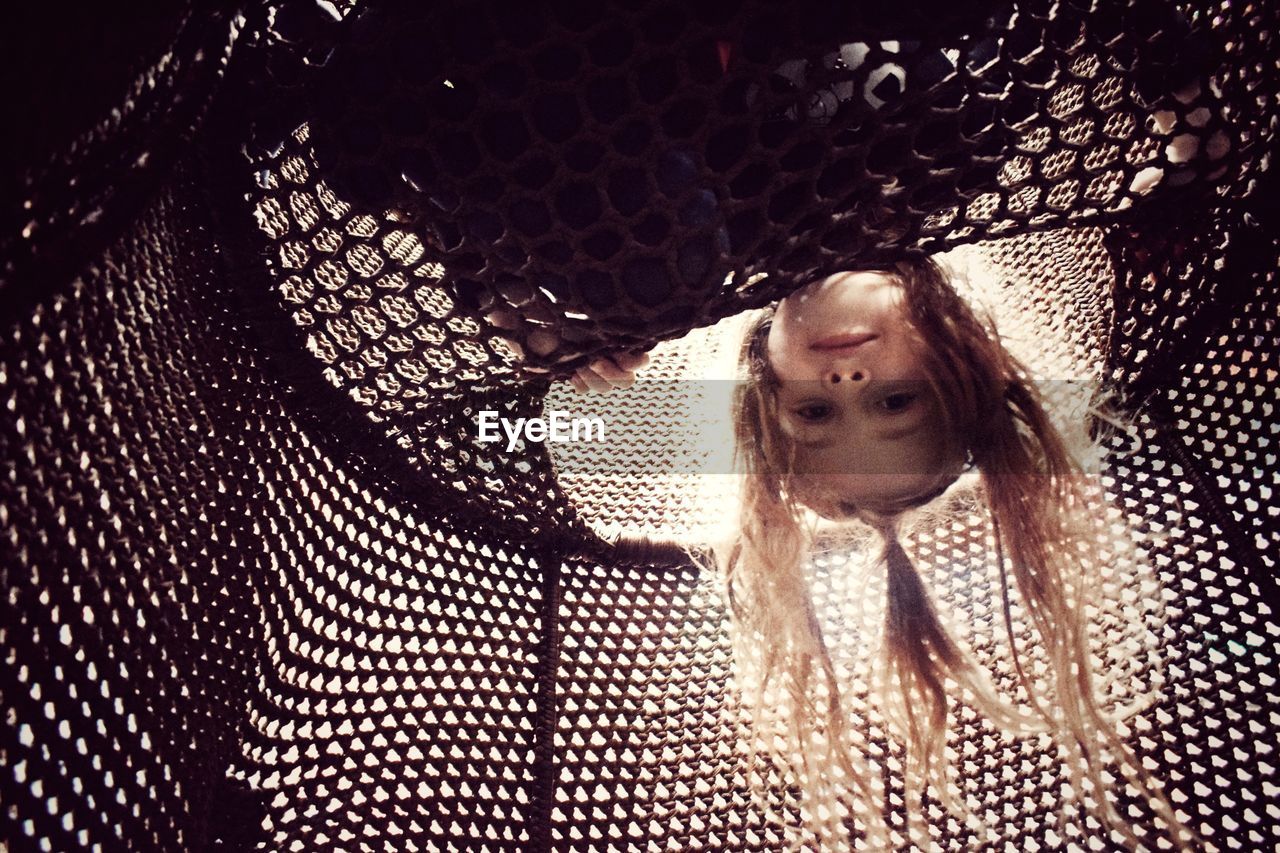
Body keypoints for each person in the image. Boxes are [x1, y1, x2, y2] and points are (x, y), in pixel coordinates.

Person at [717, 255, 1192, 848]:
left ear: (765, 380)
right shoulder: (963, 174)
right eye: (897, 403)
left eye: (814, 412)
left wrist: (591, 333)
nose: (848, 384)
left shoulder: (699, 270)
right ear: (952, 358)